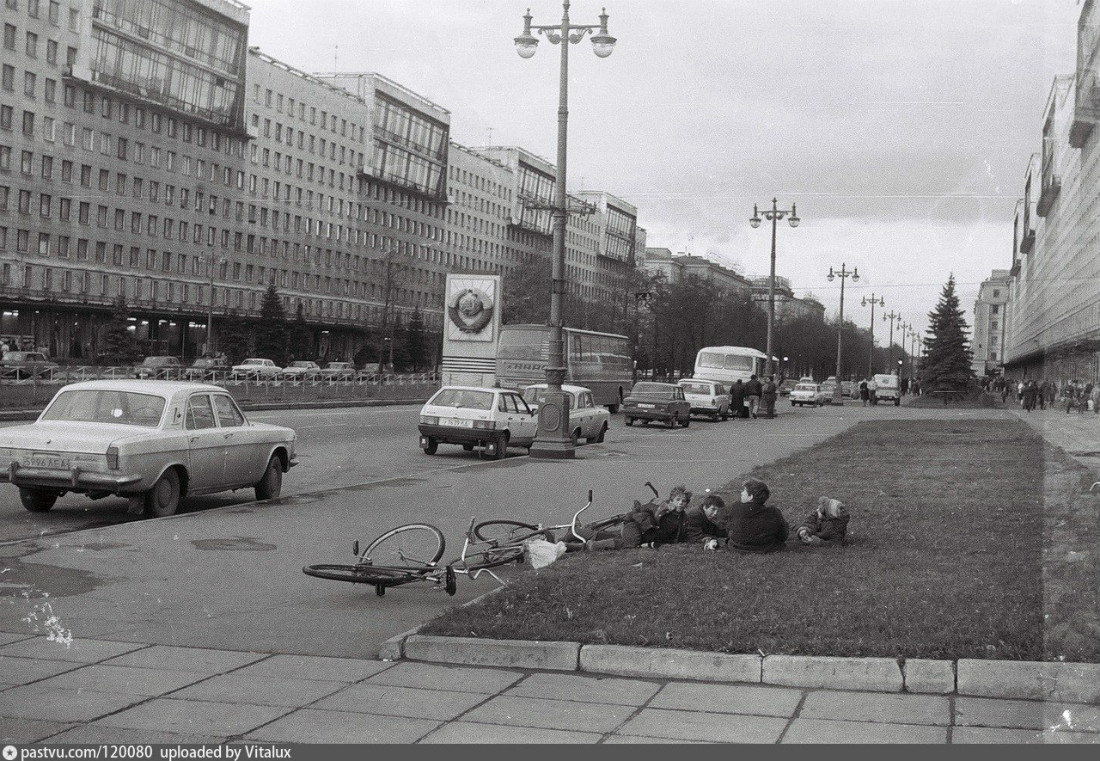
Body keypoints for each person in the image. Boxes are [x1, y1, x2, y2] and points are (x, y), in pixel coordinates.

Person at [577, 485, 691, 551]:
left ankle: (577, 534)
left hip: (643, 534)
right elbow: (643, 511)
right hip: (636, 527)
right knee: (630, 544)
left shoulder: (682, 517)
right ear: (671, 501)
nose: (681, 503)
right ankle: (594, 545)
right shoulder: (661, 509)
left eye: (683, 501)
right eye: (678, 500)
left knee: (612, 536)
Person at [724, 478, 788, 553]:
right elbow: (782, 535)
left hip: (737, 547)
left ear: (751, 496)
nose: (741, 493)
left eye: (744, 491)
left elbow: (729, 529)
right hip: (765, 547)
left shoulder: (736, 507)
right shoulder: (773, 512)